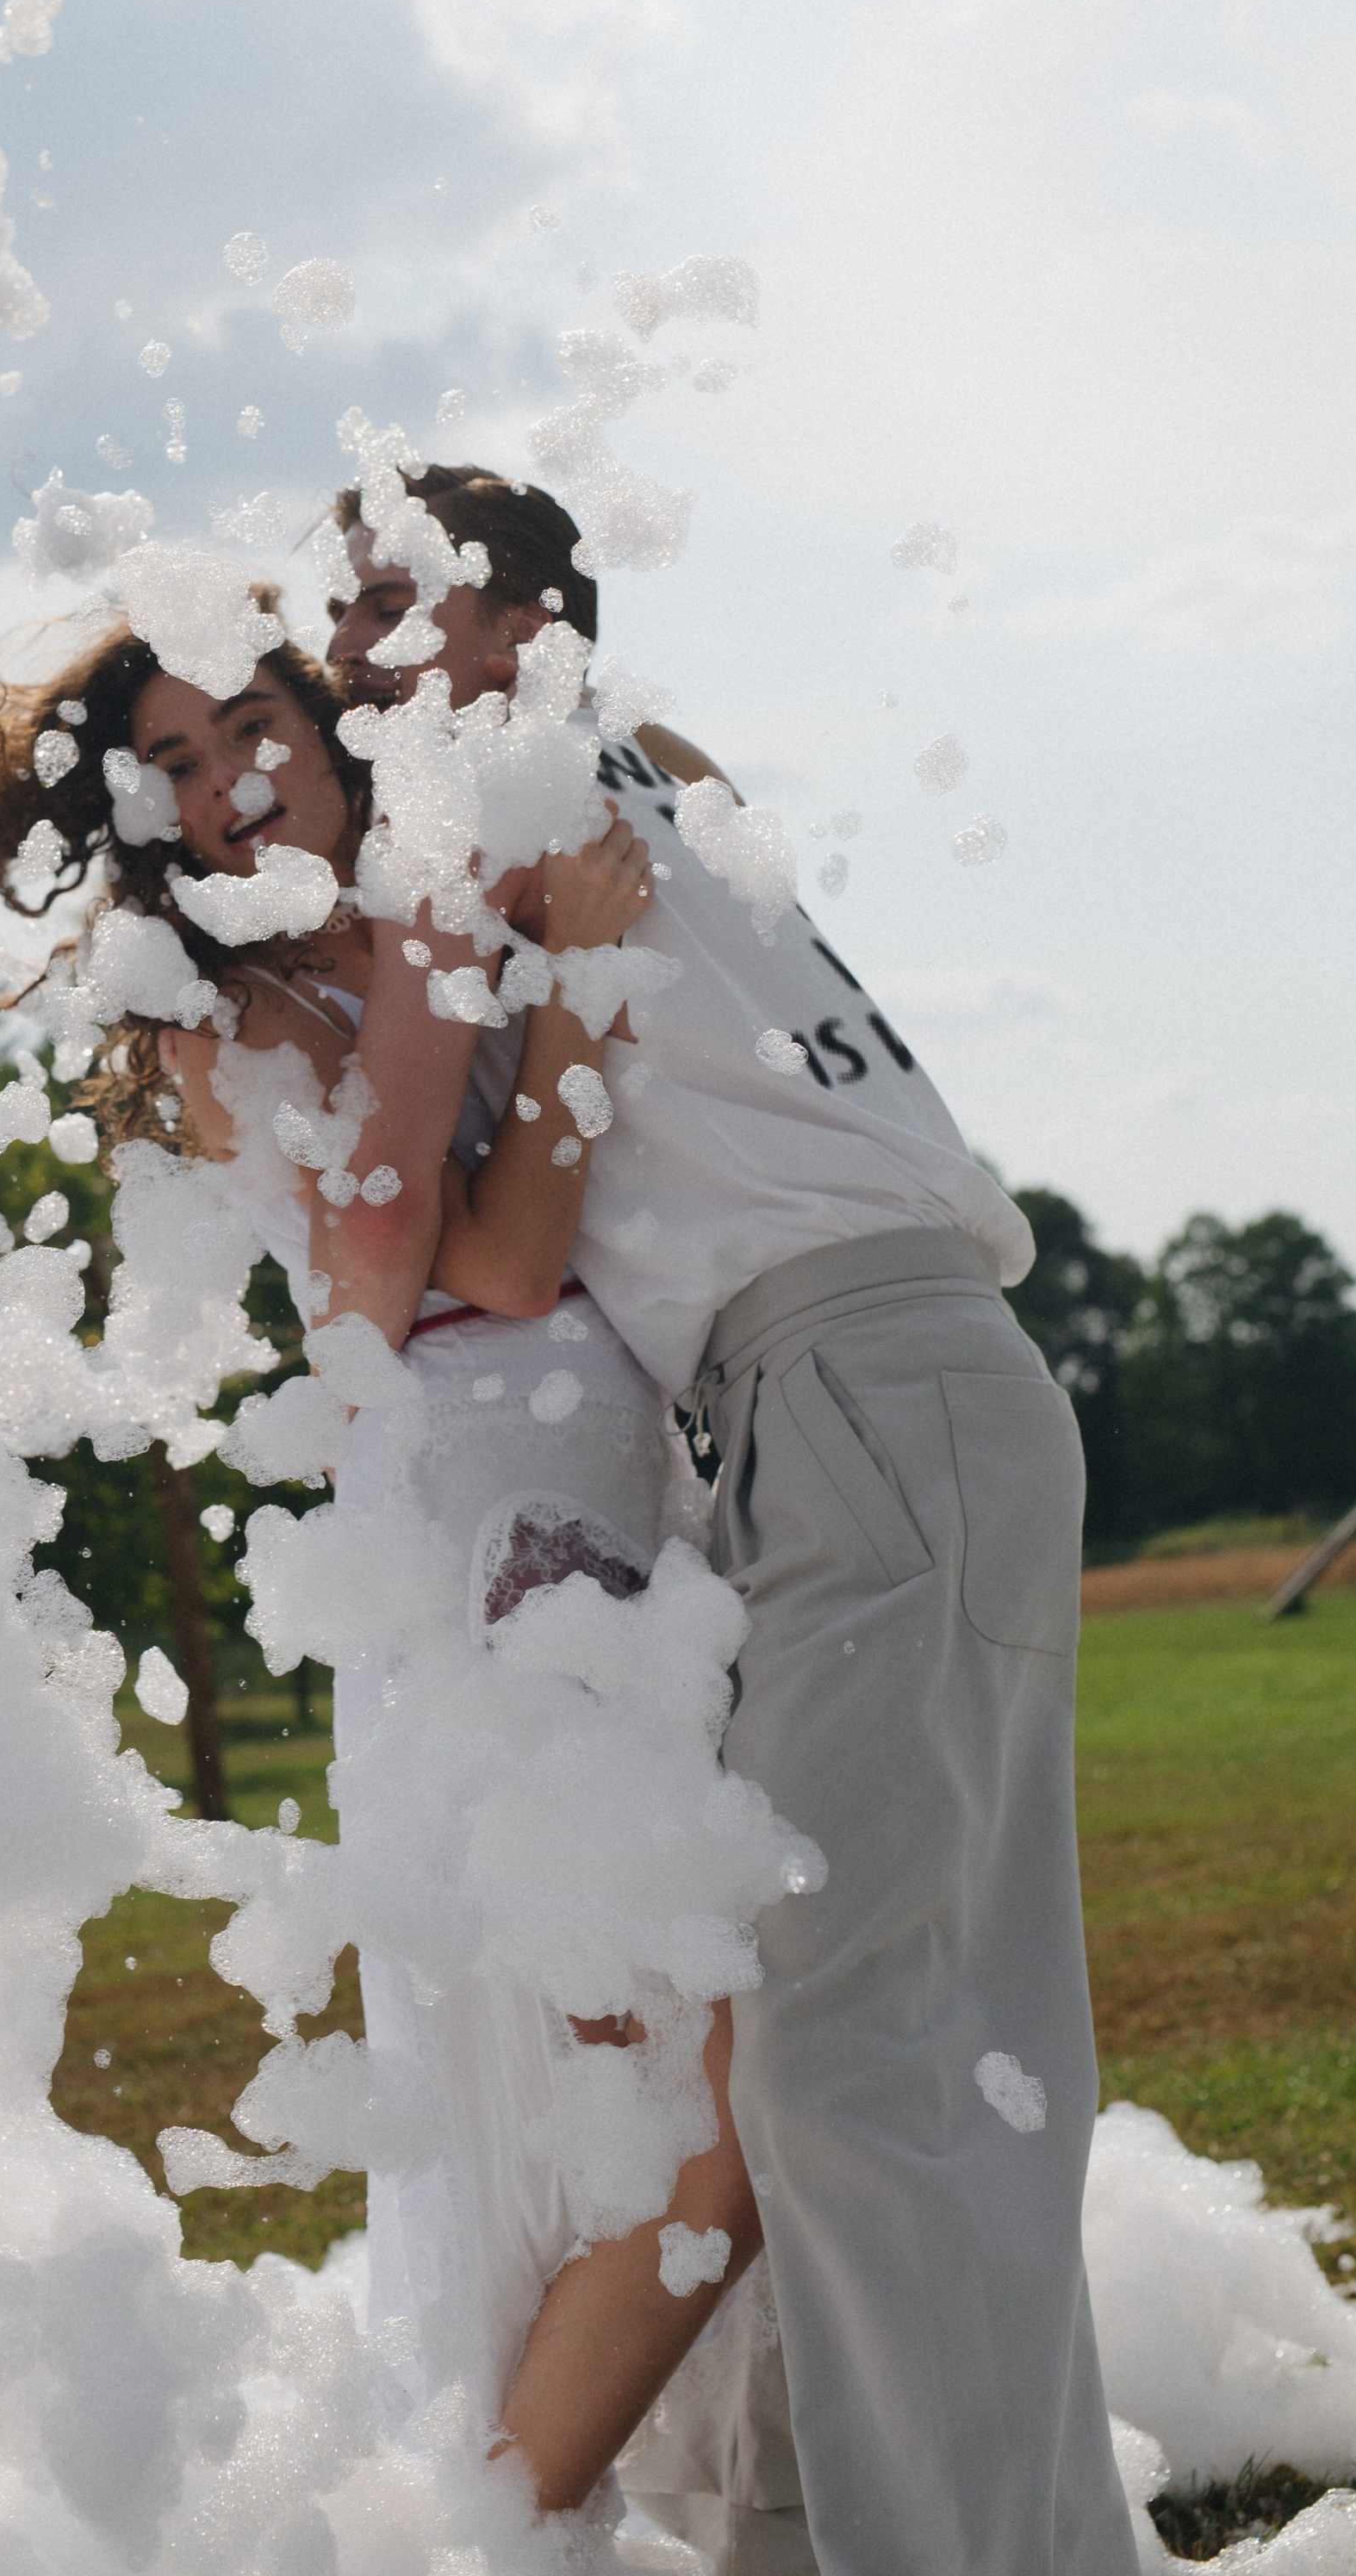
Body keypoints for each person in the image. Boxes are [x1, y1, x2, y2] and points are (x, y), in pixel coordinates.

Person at [0, 607, 752, 2460]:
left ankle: (619, 2492)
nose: (221, 780)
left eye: (247, 725)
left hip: (625, 1526)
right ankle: (493, 2522)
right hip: (500, 1574)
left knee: (685, 2090)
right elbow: (438, 1263)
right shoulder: (238, 1011)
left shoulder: (407, 921)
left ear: (326, 731)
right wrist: (533, 961)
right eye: (168, 760)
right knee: (688, 2135)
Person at [320, 462, 1140, 2576]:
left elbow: (486, 1252)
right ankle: (815, 2523)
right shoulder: (650, 766)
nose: (342, 654)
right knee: (865, 2024)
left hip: (854, 1384)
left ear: (509, 628)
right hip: (880, 1385)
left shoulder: (481, 806)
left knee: (852, 2048)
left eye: (385, 605)